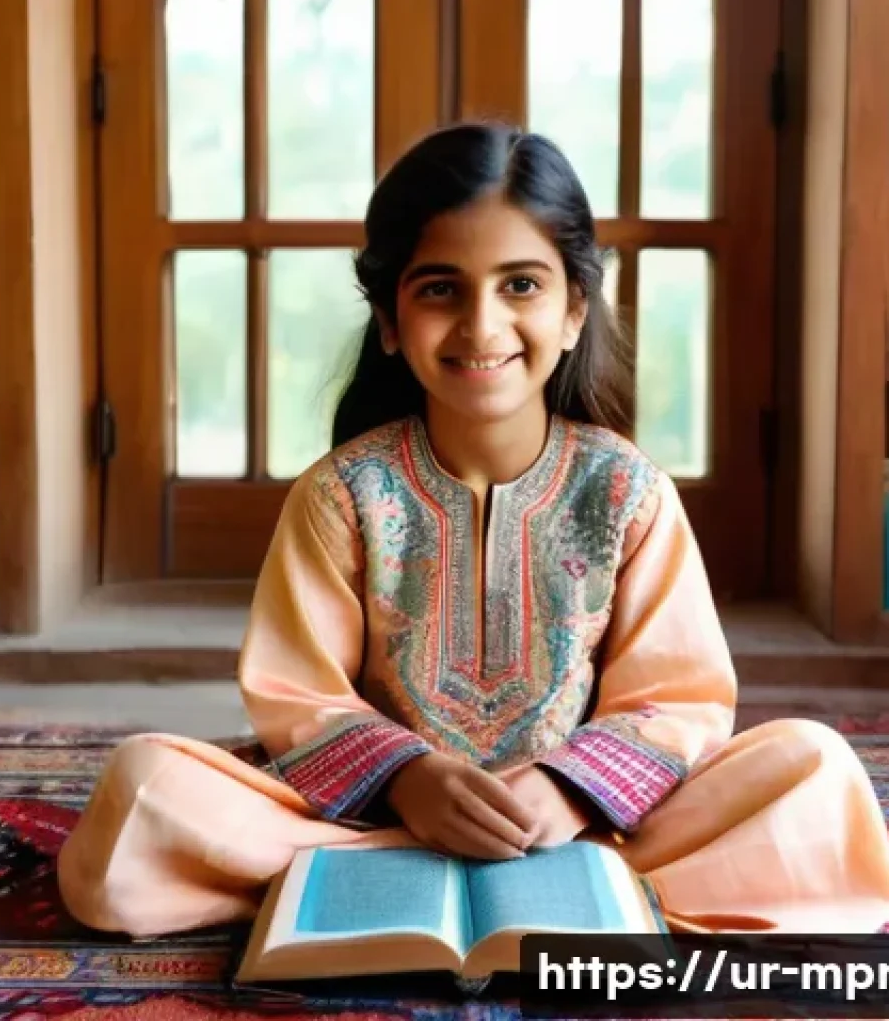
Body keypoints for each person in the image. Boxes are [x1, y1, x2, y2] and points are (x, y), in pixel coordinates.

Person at [57, 123, 889, 938]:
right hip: (377, 818)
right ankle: (450, 880)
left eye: (520, 285)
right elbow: (297, 695)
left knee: (814, 773)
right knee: (144, 788)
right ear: (390, 319)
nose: (482, 326)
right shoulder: (342, 494)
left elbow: (676, 698)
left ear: (574, 310)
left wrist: (568, 790)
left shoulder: (628, 492)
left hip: (587, 825)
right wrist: (410, 781)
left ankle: (379, 890)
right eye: (440, 289)